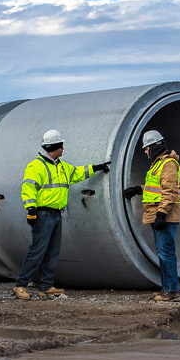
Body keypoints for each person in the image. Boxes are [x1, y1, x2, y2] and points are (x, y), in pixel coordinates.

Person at [14, 129, 111, 300]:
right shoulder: (36, 166)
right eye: (62, 146)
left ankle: (45, 285)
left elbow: (77, 173)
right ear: (55, 146)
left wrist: (96, 168)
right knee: (37, 251)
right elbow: (28, 188)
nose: (63, 149)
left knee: (52, 252)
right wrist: (31, 210)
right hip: (42, 214)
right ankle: (20, 285)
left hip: (56, 215)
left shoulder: (61, 166)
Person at [123, 130, 180, 301]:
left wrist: (162, 214)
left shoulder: (168, 164)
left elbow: (170, 192)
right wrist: (138, 189)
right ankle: (168, 289)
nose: (145, 151)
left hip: (165, 217)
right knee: (163, 252)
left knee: (166, 253)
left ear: (155, 147)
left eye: (147, 148)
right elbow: (154, 187)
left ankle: (172, 291)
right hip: (158, 214)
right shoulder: (158, 164)